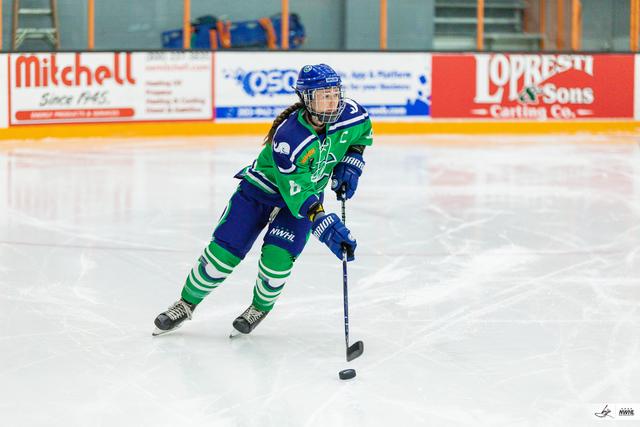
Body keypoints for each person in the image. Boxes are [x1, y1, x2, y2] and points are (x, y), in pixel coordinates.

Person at [152, 63, 373, 336]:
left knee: (277, 260)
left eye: (335, 93)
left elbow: (362, 132)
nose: (333, 101)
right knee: (222, 255)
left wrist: (352, 160)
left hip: (301, 201)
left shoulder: (352, 114)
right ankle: (185, 304)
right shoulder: (291, 137)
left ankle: (259, 307)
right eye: (324, 95)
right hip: (261, 193)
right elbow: (297, 190)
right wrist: (321, 221)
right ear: (307, 99)